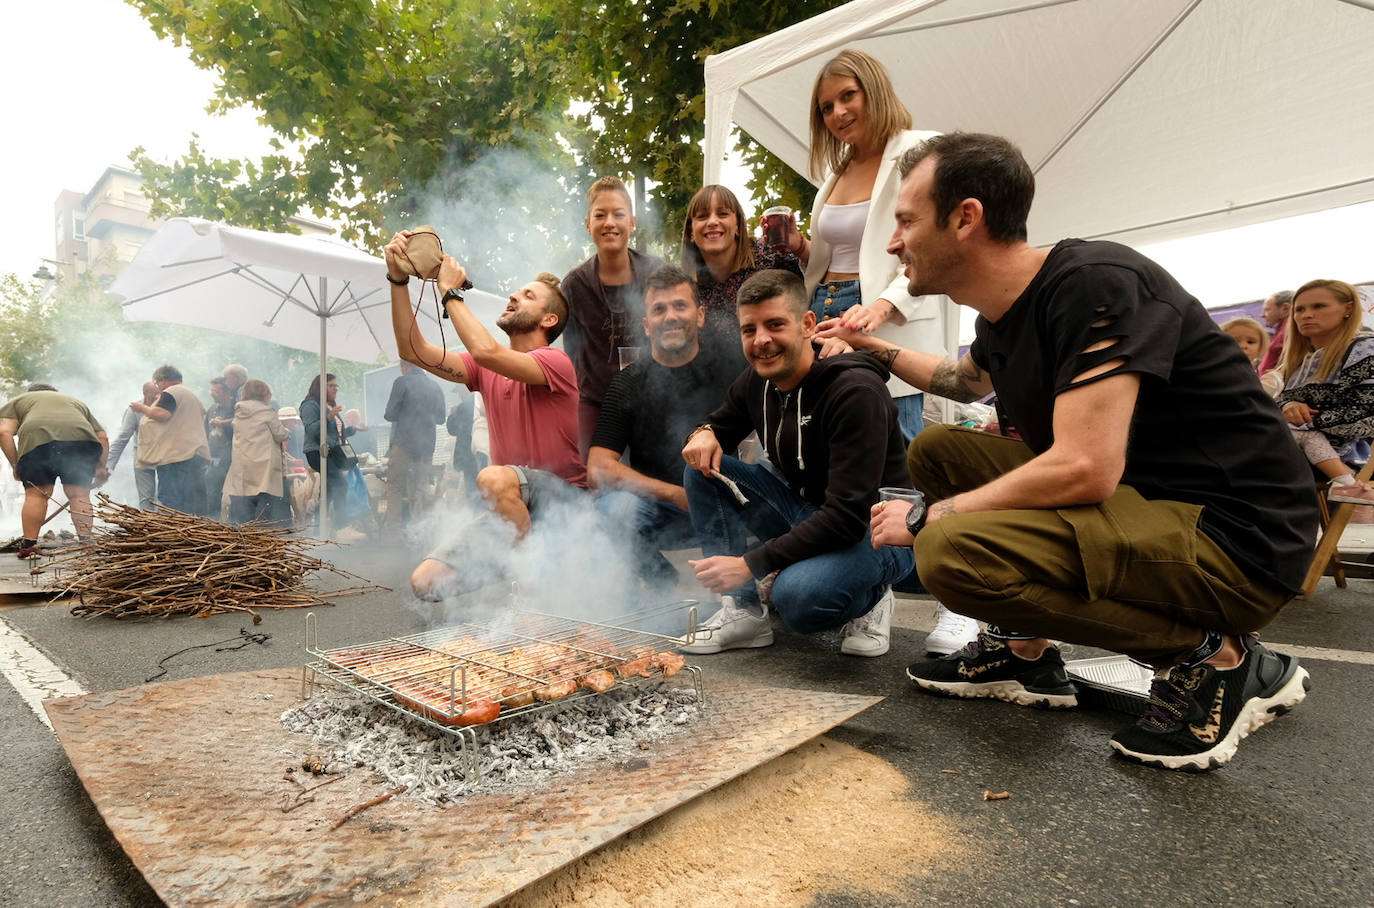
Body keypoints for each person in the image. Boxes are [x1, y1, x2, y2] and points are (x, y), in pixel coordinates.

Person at [831, 131, 1317, 771]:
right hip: (1145, 504)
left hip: (1238, 538)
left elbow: (1086, 467)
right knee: (943, 452)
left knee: (951, 554)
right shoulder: (1003, 316)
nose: (894, 244)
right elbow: (958, 382)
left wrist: (930, 518)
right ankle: (1021, 649)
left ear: (966, 219)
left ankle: (1219, 659)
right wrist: (866, 345)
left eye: (906, 221)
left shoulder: (1095, 285)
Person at [679, 269, 914, 658]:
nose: (762, 341)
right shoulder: (758, 381)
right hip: (803, 510)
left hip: (875, 529)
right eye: (749, 330)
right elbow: (717, 424)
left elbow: (847, 516)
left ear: (807, 324)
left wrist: (751, 564)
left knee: (800, 600)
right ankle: (742, 613)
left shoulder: (854, 391)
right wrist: (703, 432)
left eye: (774, 325)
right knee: (703, 468)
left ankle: (873, 597)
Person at [386, 231, 586, 600]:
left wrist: (450, 292)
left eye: (528, 296)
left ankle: (534, 593)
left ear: (549, 320)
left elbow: (485, 351)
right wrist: (398, 279)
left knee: (493, 478)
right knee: (426, 584)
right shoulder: (486, 367)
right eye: (517, 291)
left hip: (564, 501)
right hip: (510, 502)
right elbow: (413, 351)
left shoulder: (554, 361)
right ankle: (521, 561)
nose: (513, 296)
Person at [780, 48, 948, 445]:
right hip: (824, 309)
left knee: (893, 444)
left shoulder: (921, 151)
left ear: (873, 90)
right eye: (826, 107)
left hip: (884, 317)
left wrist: (878, 309)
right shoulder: (834, 176)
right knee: (828, 442)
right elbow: (836, 256)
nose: (837, 112)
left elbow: (931, 249)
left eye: (847, 96)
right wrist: (801, 246)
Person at [589, 264, 738, 585]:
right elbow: (599, 468)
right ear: (646, 325)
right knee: (610, 510)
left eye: (680, 306)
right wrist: (674, 494)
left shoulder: (731, 366)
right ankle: (662, 589)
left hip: (728, 503)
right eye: (659, 309)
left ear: (700, 315)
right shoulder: (627, 383)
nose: (670, 316)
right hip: (664, 512)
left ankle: (756, 592)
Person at [561, 176, 667, 459]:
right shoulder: (574, 285)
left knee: (658, 474)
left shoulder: (657, 273)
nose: (609, 222)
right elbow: (571, 354)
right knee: (595, 481)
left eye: (618, 214)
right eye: (600, 215)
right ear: (587, 224)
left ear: (632, 222)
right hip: (596, 403)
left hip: (653, 397)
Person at [680, 184, 803, 371]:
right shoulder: (687, 290)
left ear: (738, 226)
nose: (712, 221)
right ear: (691, 231)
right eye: (702, 216)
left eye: (722, 214)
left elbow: (818, 273)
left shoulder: (771, 256)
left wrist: (800, 245)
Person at [1276, 279, 1374, 504]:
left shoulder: (1365, 348)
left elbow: (1368, 415)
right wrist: (1287, 407)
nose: (1306, 315)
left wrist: (1306, 421)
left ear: (1348, 309)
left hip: (1349, 455)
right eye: (1299, 309)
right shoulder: (1301, 360)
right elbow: (1283, 401)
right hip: (1296, 449)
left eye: (1319, 306)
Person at [0, 384, 109, 559]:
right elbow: (102, 436)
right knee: (79, 495)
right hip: (83, 442)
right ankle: (87, 544)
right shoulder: (75, 402)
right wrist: (101, 467)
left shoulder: (20, 400)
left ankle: (29, 546)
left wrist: (16, 465)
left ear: (31, 395)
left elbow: (4, 432)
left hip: (39, 441)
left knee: (37, 494)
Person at [132, 365, 210, 515]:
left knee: (171, 499)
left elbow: (162, 414)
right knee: (192, 499)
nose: (157, 387)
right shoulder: (191, 395)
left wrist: (142, 409)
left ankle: (177, 533)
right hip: (193, 454)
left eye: (157, 383)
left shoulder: (171, 392)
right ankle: (195, 531)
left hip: (176, 456)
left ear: (163, 380)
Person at [382, 362, 446, 526]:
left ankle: (393, 533)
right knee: (421, 487)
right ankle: (420, 532)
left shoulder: (401, 381)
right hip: (426, 447)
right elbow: (441, 418)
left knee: (395, 485)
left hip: (404, 443)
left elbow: (389, 414)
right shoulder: (435, 386)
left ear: (404, 367)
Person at [223, 379, 291, 525]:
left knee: (244, 503)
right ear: (265, 394)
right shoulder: (266, 412)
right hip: (263, 464)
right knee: (265, 502)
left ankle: (244, 535)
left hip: (243, 464)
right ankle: (263, 532)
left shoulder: (239, 412)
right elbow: (281, 434)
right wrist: (287, 430)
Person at [299, 373, 355, 532]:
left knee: (329, 491)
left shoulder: (328, 405)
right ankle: (342, 526)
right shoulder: (310, 405)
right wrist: (329, 416)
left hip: (331, 452)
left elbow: (335, 433)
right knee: (340, 484)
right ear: (320, 387)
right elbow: (311, 430)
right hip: (317, 451)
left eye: (336, 386)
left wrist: (351, 430)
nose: (335, 389)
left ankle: (317, 528)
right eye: (331, 386)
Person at [106, 381, 160, 509]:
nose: (158, 396)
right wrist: (108, 465)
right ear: (145, 393)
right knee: (146, 497)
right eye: (155, 393)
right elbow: (122, 438)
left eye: (160, 393)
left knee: (166, 495)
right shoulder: (134, 409)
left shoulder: (164, 407)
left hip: (165, 456)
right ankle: (148, 525)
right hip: (142, 456)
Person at [204, 376, 236, 519]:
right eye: (212, 391)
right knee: (212, 495)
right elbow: (205, 432)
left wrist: (224, 423)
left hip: (232, 460)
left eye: (215, 391)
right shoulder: (212, 409)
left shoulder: (236, 408)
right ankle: (214, 524)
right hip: (214, 460)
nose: (212, 394)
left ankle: (235, 526)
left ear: (226, 392)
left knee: (235, 497)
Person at [1257, 290, 1294, 376]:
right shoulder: (1283, 330)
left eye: (1267, 309)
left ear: (1286, 308)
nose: (1262, 315)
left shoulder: (1290, 330)